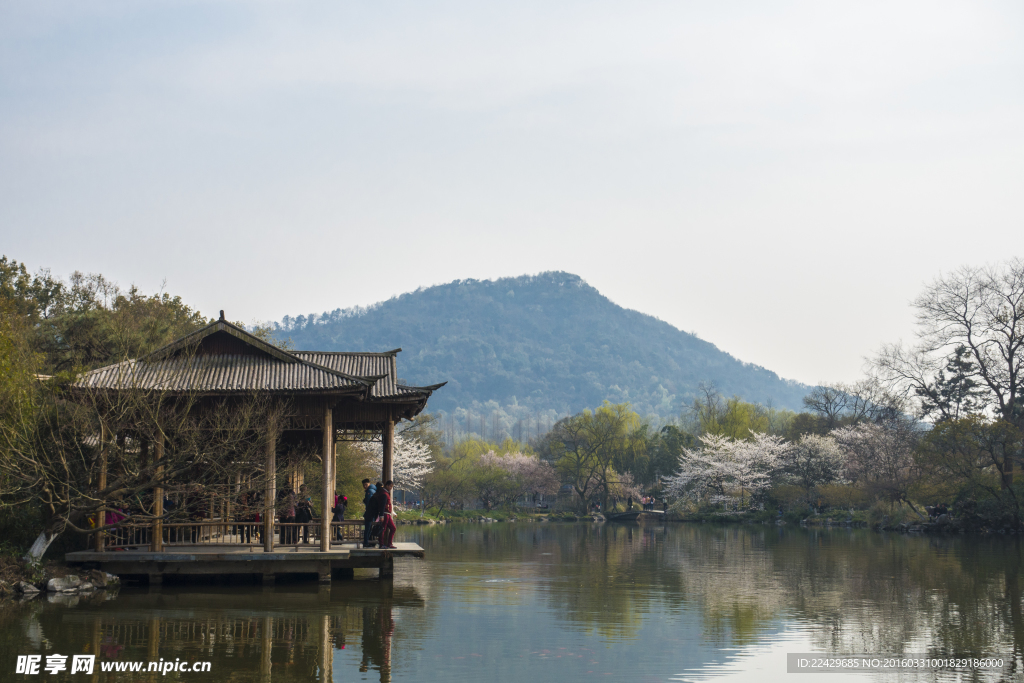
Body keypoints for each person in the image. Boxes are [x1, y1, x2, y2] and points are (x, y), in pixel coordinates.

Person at [379, 480, 398, 549]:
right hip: (385, 514)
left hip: (388, 514)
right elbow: (382, 505)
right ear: (386, 485)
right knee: (383, 529)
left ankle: (389, 543)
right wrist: (381, 515)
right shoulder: (384, 493)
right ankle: (381, 544)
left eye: (392, 487)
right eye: (390, 486)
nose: (390, 488)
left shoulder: (386, 493)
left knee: (393, 528)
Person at [362, 479, 378, 548]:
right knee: (370, 528)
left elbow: (369, 503)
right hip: (373, 513)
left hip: (369, 513)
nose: (365, 486)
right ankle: (371, 542)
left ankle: (366, 542)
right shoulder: (374, 490)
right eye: (364, 485)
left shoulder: (369, 491)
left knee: (367, 529)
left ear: (369, 483)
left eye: (366, 484)